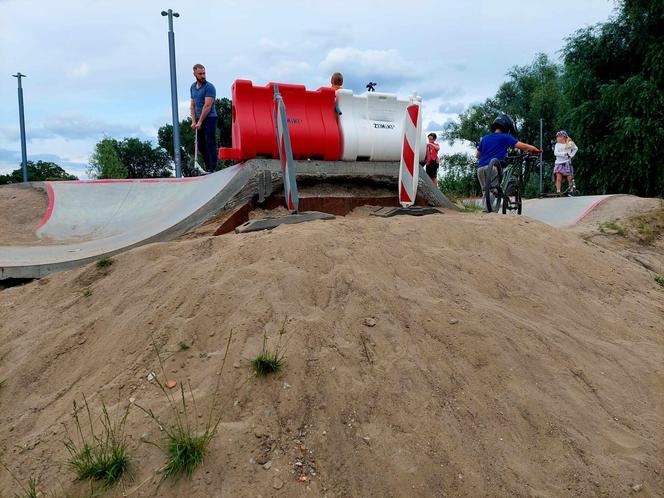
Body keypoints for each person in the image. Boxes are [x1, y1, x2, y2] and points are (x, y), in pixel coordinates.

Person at [475, 114, 541, 212]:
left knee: (486, 191)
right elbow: (522, 146)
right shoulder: (506, 137)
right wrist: (534, 149)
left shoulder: (485, 138)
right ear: (506, 127)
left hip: (480, 169)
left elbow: (477, 154)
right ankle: (486, 212)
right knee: (494, 190)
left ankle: (486, 211)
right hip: (493, 168)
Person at [190, 64, 218, 173]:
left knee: (209, 142)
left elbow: (207, 106)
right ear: (194, 74)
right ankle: (208, 168)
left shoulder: (209, 87)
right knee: (201, 145)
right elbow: (192, 105)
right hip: (198, 119)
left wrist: (200, 121)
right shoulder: (193, 87)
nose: (203, 76)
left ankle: (213, 168)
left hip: (210, 118)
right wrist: (194, 121)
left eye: (204, 73)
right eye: (200, 74)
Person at [553, 130, 578, 195]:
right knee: (558, 178)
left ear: (563, 137)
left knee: (570, 177)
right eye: (557, 137)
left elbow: (576, 148)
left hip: (567, 162)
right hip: (558, 163)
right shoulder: (557, 145)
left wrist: (571, 155)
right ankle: (558, 191)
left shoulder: (570, 143)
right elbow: (555, 153)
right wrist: (564, 154)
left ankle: (571, 190)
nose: (557, 138)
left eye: (558, 137)